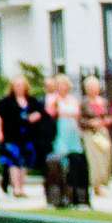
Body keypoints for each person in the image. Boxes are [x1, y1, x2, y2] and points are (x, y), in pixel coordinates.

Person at [0, 75, 42, 199]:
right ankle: (16, 188)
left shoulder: (32, 101)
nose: (19, 88)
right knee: (13, 161)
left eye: (21, 85)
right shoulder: (5, 101)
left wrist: (36, 116)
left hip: (27, 136)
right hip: (11, 136)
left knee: (25, 162)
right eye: (16, 85)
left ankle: (22, 186)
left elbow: (40, 112)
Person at [44, 72, 86, 207]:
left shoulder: (73, 99)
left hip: (72, 132)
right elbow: (50, 114)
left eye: (65, 85)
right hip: (60, 131)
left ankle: (75, 195)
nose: (63, 88)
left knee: (76, 162)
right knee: (60, 163)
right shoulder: (53, 99)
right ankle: (59, 196)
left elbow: (78, 115)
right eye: (60, 85)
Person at [80, 74, 112, 193]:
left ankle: (104, 181)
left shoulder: (104, 101)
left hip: (103, 132)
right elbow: (80, 120)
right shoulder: (83, 103)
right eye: (90, 87)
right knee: (94, 159)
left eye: (95, 86)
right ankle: (96, 185)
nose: (93, 89)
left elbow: (111, 116)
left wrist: (106, 121)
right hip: (90, 134)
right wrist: (90, 123)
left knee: (106, 157)